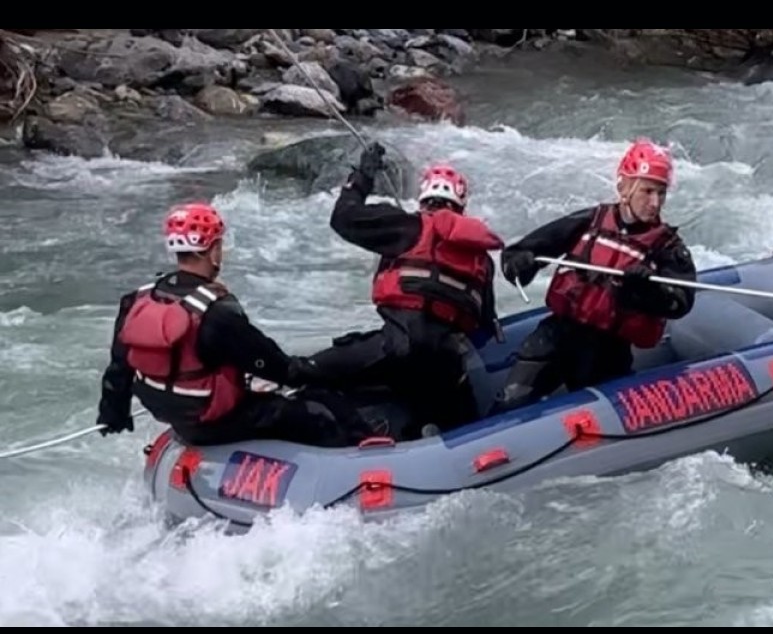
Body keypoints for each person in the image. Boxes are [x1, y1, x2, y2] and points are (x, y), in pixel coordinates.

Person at [95, 202, 386, 447]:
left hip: (175, 416)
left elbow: (119, 369)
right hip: (217, 423)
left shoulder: (138, 300)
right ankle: (367, 456)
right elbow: (281, 368)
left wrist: (113, 413)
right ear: (212, 249)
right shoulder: (216, 313)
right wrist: (324, 372)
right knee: (318, 410)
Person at [309, 142, 505, 439]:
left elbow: (344, 218)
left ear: (423, 198)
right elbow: (483, 323)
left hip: (397, 349)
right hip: (446, 366)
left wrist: (362, 176)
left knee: (306, 370)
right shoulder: (482, 260)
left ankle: (349, 434)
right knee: (460, 421)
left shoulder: (406, 226)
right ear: (461, 206)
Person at [490, 137, 698, 414]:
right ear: (625, 187)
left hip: (607, 350)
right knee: (511, 402)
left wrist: (645, 290)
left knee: (598, 408)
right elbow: (520, 252)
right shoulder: (591, 221)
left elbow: (681, 301)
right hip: (558, 334)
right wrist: (520, 263)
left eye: (661, 193)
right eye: (647, 191)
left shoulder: (667, 247)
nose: (655, 202)